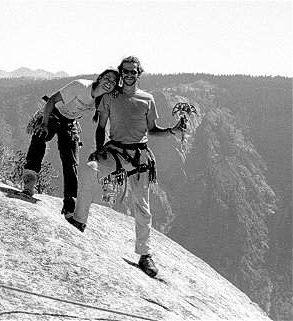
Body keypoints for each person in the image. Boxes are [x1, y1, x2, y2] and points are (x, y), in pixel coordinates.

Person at [67, 56, 184, 277]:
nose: (130, 74)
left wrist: (172, 131)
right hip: (115, 151)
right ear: (122, 73)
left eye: (134, 71)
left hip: (139, 155)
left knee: (142, 207)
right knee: (90, 168)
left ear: (139, 74)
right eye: (126, 71)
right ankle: (79, 220)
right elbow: (101, 126)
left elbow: (152, 130)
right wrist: (99, 148)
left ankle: (145, 254)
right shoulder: (111, 97)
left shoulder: (147, 99)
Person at [22, 69, 120, 218]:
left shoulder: (103, 100)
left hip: (70, 122)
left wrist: (100, 149)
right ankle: (30, 180)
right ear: (100, 78)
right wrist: (43, 123)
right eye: (107, 78)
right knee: (39, 137)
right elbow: (52, 100)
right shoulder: (80, 86)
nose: (109, 83)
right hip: (54, 114)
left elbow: (101, 127)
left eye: (113, 82)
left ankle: (70, 205)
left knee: (71, 160)